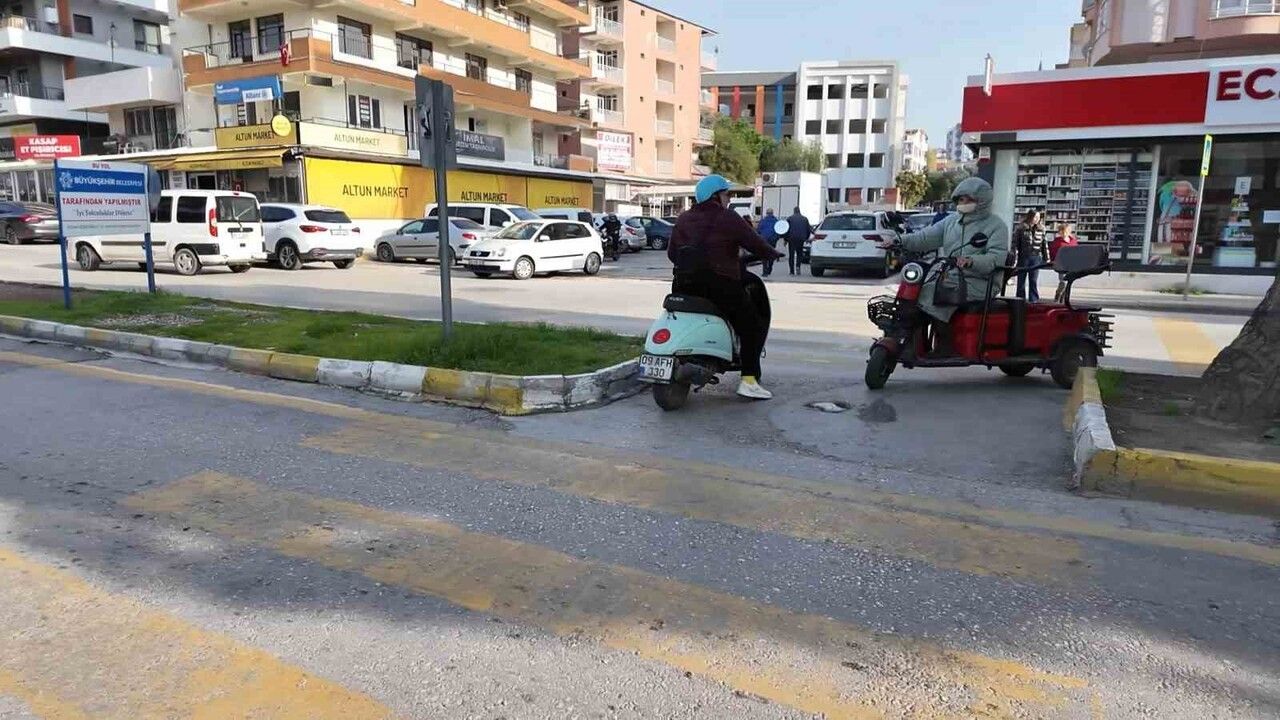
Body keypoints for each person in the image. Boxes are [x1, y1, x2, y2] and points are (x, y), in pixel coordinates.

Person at [668, 175, 785, 400]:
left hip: (682, 285)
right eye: (727, 194)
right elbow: (754, 242)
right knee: (751, 324)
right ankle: (749, 380)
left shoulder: (683, 219)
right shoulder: (727, 218)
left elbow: (673, 254)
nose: (729, 198)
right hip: (719, 286)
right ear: (716, 196)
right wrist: (772, 253)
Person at [881, 177, 1010, 358]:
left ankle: (945, 345)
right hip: (951, 275)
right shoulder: (951, 221)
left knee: (934, 294)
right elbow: (925, 237)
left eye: (969, 200)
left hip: (981, 280)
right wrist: (898, 241)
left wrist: (971, 261)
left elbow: (996, 258)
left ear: (982, 201)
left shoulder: (996, 226)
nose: (963, 203)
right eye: (960, 199)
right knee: (918, 290)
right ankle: (910, 339)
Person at [1012, 209, 1048, 302]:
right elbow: (1015, 244)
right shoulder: (1021, 228)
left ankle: (1034, 300)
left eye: (1038, 217)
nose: (1037, 219)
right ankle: (1020, 300)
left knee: (1033, 280)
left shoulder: (1042, 229)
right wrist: (1014, 259)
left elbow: (1044, 244)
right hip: (1023, 257)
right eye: (1035, 217)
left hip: (1036, 257)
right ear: (1030, 217)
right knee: (1021, 281)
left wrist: (1047, 258)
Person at [1049, 223, 1079, 302]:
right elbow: (1052, 252)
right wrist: (1053, 261)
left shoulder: (1073, 241)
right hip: (1061, 264)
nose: (1063, 233)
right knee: (1063, 281)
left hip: (1071, 264)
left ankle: (1062, 298)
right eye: (1061, 231)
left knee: (1068, 281)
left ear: (1069, 231)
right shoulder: (1057, 241)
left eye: (1065, 231)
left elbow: (1076, 252)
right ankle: (1058, 293)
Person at [783, 207, 813, 275]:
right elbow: (808, 229)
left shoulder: (790, 219)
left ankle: (791, 271)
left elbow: (786, 230)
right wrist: (806, 238)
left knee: (791, 255)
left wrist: (785, 239)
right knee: (799, 254)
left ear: (794, 211)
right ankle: (798, 267)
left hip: (791, 239)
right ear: (799, 211)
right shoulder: (805, 219)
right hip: (801, 239)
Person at [758, 209, 780, 277]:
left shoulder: (763, 221)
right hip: (773, 240)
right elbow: (779, 231)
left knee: (764, 255)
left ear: (766, 213)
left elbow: (758, 230)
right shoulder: (776, 221)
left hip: (764, 239)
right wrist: (776, 238)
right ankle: (770, 267)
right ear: (772, 213)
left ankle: (765, 272)